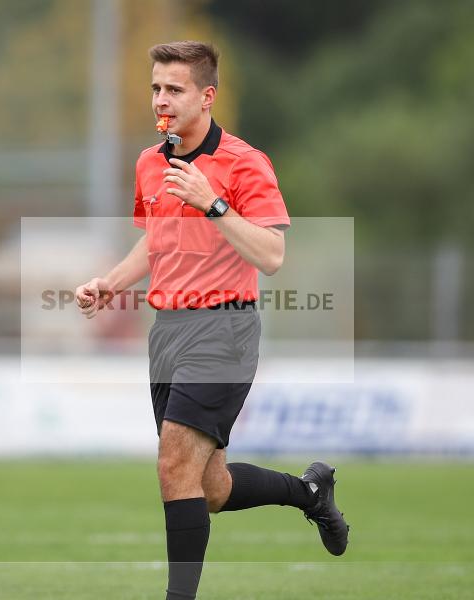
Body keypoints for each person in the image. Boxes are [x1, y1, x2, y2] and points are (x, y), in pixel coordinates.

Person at [75, 41, 348, 599]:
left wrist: (214, 205)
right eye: (156, 88)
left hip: (224, 331)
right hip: (168, 335)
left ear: (207, 96)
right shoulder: (151, 162)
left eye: (174, 89)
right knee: (210, 487)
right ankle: (310, 494)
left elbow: (271, 256)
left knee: (173, 464)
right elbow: (154, 243)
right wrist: (110, 283)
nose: (162, 100)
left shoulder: (246, 163)